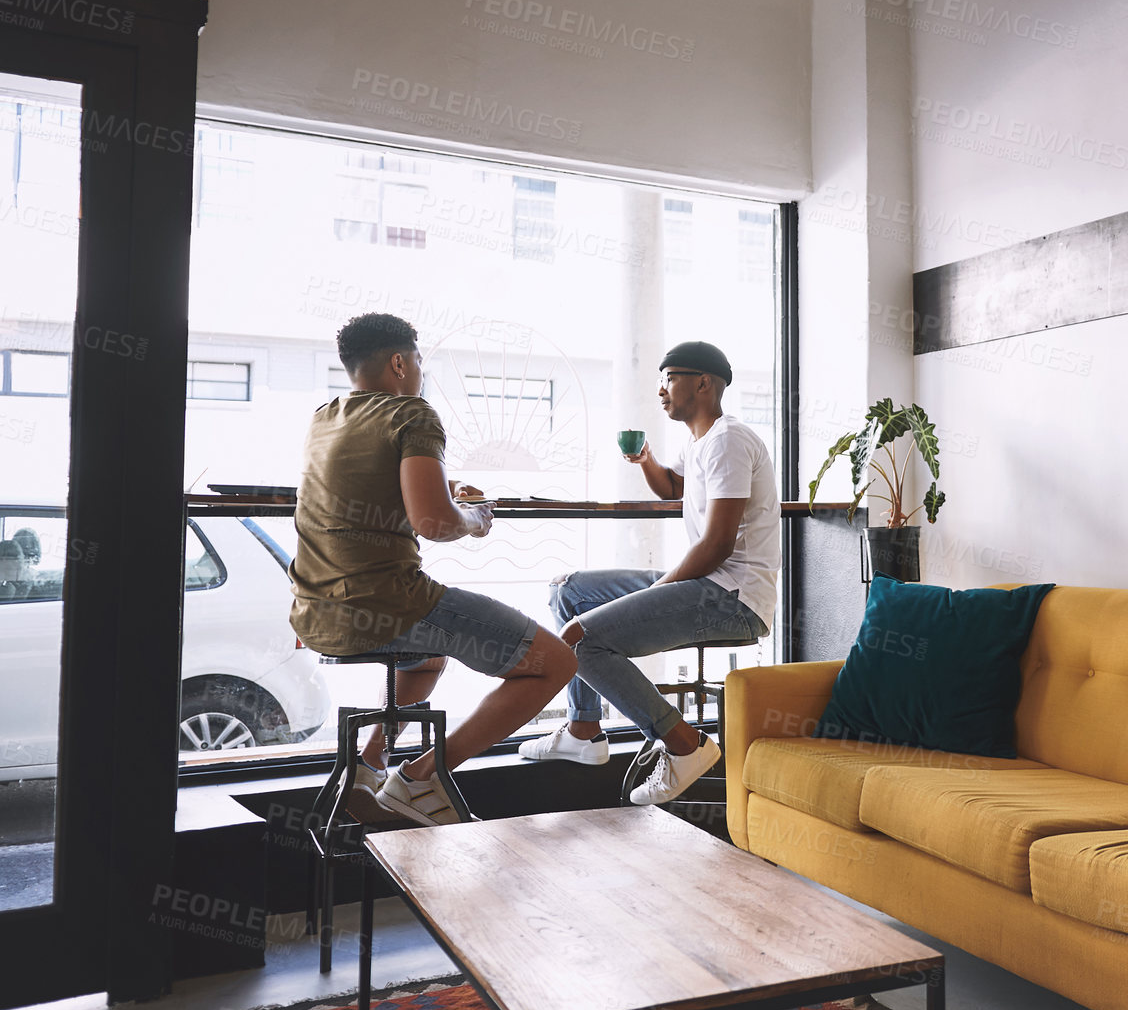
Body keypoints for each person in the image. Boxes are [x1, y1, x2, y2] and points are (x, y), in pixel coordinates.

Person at [290, 313, 578, 826]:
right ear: (400, 362)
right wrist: (475, 517)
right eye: (419, 361)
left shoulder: (324, 416)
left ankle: (369, 765)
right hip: (386, 605)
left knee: (426, 659)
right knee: (556, 662)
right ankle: (421, 780)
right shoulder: (411, 414)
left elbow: (378, 490)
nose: (421, 372)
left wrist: (442, 492)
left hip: (315, 614)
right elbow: (434, 523)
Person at [519, 340, 779, 806]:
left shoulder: (729, 441)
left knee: (582, 637)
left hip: (735, 599)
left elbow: (717, 545)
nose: (661, 389)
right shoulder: (702, 440)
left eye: (670, 377)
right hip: (710, 586)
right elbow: (671, 488)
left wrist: (659, 588)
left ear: (703, 383)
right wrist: (646, 461)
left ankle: (684, 744)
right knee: (569, 592)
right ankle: (583, 729)